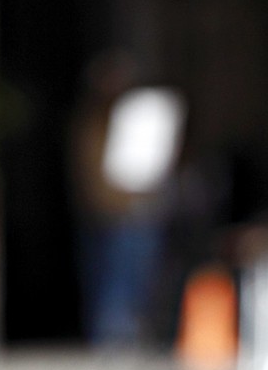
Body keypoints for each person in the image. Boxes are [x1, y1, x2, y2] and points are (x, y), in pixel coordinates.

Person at [70, 52, 184, 349]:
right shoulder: (93, 122)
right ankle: (112, 338)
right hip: (112, 212)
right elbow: (93, 173)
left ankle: (126, 334)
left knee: (136, 278)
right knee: (113, 281)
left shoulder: (138, 119)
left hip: (135, 211)